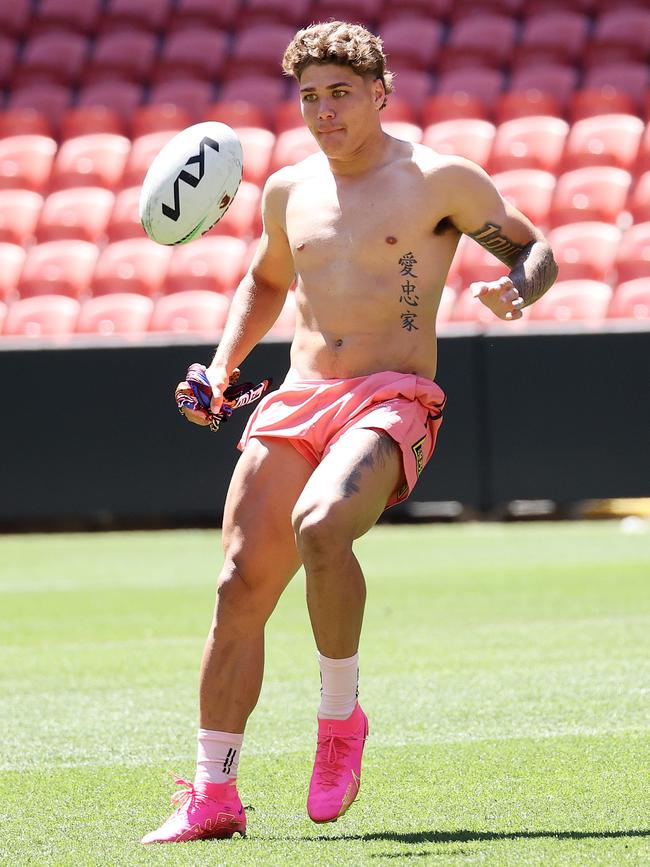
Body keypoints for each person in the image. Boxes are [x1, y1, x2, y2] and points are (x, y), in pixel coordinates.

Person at [142, 20, 558, 844]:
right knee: (236, 587)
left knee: (324, 524)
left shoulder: (440, 178)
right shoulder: (288, 190)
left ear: (378, 93)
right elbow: (264, 282)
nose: (324, 112)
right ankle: (214, 793)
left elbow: (532, 247)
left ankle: (339, 722)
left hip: (393, 395)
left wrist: (524, 287)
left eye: (339, 94)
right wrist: (220, 368)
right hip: (300, 394)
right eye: (309, 98)